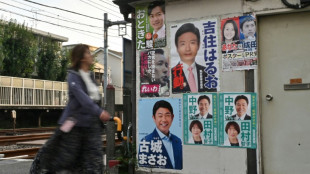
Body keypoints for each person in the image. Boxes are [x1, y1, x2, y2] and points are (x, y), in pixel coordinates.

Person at [30, 44, 111, 174]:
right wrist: (99, 112)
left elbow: (95, 99)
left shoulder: (90, 76)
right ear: (82, 58)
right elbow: (82, 98)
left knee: (94, 160)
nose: (91, 56)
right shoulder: (73, 76)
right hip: (74, 124)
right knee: (65, 159)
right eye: (88, 53)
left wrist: (99, 114)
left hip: (92, 125)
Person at [171, 23, 217, 93]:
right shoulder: (170, 75)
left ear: (198, 45)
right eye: (183, 44)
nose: (187, 49)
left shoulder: (208, 74)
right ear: (177, 47)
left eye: (192, 43)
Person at [138, 100, 182, 170]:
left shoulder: (178, 141)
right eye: (160, 116)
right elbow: (144, 170)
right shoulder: (146, 142)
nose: (164, 120)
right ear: (154, 118)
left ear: (172, 117)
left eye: (167, 115)